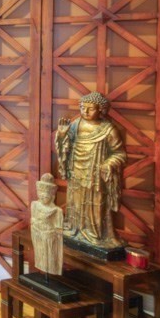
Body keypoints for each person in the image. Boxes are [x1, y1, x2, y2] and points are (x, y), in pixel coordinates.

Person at [54, 91, 126, 250]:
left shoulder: (108, 129)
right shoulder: (75, 125)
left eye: (90, 108)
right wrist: (62, 135)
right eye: (82, 107)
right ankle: (75, 229)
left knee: (95, 205)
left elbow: (119, 153)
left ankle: (95, 234)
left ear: (101, 110)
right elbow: (65, 146)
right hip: (76, 171)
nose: (85, 111)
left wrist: (109, 163)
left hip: (95, 175)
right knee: (75, 203)